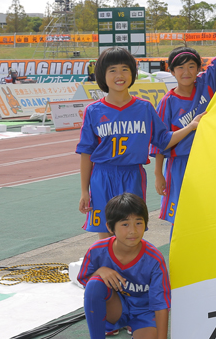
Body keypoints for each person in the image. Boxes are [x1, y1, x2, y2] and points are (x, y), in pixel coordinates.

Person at [77, 47, 202, 239]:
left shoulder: (144, 108)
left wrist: (191, 126)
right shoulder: (93, 111)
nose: (119, 75)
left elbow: (163, 140)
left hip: (133, 175)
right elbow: (86, 153)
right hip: (102, 176)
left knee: (132, 233)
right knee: (106, 235)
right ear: (102, 75)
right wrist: (84, 191)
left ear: (133, 73)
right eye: (112, 70)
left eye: (125, 69)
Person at [73, 193, 172, 339]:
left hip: (144, 312)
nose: (133, 230)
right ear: (110, 227)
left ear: (146, 224)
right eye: (125, 224)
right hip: (116, 308)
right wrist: (100, 271)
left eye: (138, 222)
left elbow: (161, 306)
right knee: (95, 284)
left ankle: (138, 337)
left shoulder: (154, 259)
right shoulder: (97, 251)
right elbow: (86, 282)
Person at [155, 26, 216, 226]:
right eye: (180, 67)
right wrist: (158, 174)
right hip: (179, 165)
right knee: (180, 218)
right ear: (171, 71)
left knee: (208, 213)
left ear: (198, 69)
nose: (186, 72)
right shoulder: (167, 102)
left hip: (208, 160)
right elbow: (161, 142)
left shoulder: (206, 83)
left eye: (191, 66)